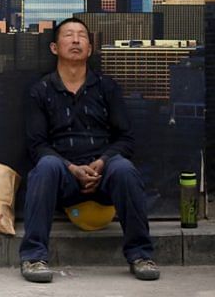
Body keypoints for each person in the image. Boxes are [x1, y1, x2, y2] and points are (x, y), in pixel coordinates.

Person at [19, 18, 160, 283]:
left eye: (82, 36)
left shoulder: (107, 88)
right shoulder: (40, 91)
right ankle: (34, 257)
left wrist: (103, 162)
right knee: (45, 167)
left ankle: (141, 254)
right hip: (63, 177)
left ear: (90, 48)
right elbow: (37, 146)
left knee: (125, 169)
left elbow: (125, 139)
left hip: (103, 174)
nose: (75, 40)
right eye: (68, 35)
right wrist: (71, 168)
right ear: (53, 48)